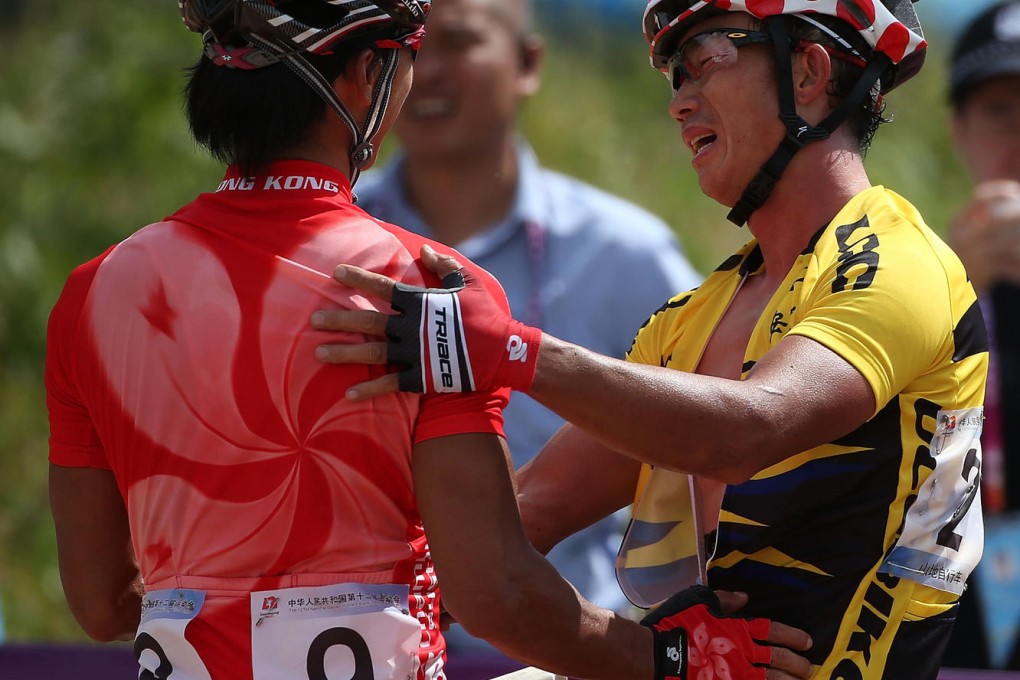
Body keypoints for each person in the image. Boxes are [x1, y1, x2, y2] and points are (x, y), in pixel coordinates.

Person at [44, 1, 812, 679]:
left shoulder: (95, 290)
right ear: (364, 77)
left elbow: (101, 603)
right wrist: (673, 661)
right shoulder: (422, 284)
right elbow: (495, 592)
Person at [312, 0, 989, 677]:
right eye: (676, 81)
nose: (679, 104)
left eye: (703, 65)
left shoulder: (899, 262)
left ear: (809, 72)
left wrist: (509, 350)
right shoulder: (697, 312)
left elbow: (749, 432)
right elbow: (517, 524)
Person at [352, 0, 702, 649]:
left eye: (454, 43)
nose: (424, 73)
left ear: (527, 63)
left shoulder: (626, 252)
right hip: (362, 651)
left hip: (574, 652)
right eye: (405, 49)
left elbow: (713, 431)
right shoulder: (326, 247)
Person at [939, 1, 1020, 670]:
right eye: (1000, 109)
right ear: (958, 128)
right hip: (948, 630)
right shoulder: (920, 274)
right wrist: (951, 288)